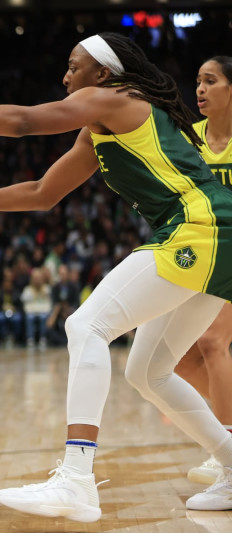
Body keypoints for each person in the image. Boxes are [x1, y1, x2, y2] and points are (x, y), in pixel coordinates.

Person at [0, 33, 232, 520]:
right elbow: (43, 192)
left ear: (102, 74)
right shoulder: (99, 128)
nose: (66, 77)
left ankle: (76, 479)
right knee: (147, 371)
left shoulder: (115, 99)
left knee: (84, 326)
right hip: (217, 237)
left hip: (202, 230)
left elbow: (24, 121)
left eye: (74, 67)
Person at [173, 55, 232, 485]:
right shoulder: (186, 138)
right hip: (197, 256)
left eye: (210, 81)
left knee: (213, 341)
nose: (200, 89)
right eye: (198, 81)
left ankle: (226, 449)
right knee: (176, 359)